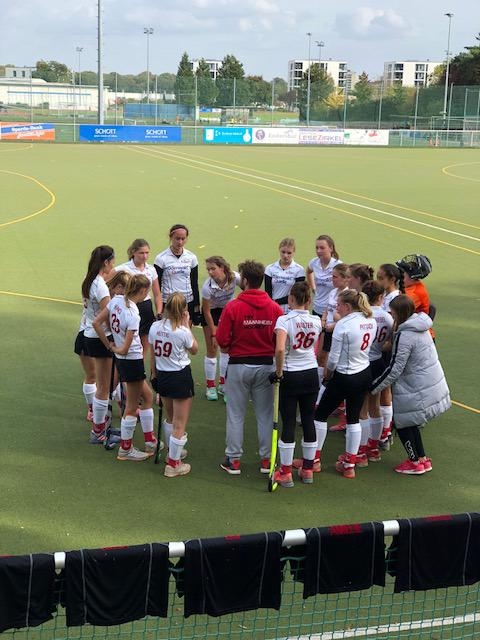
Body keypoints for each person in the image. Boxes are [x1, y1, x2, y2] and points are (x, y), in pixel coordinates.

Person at [216, 260, 284, 475]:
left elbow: (222, 339)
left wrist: (230, 347)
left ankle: (234, 460)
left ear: (244, 280)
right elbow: (279, 340)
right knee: (265, 415)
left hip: (238, 366)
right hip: (265, 366)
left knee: (235, 414)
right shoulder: (274, 308)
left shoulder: (234, 306)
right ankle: (266, 461)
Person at [370, 295, 450, 475]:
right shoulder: (420, 326)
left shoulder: (405, 334)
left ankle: (414, 461)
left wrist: (375, 386)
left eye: (392, 311)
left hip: (414, 386)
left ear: (399, 313)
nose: (390, 313)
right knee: (411, 421)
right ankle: (421, 458)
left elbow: (396, 368)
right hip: (426, 381)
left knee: (404, 422)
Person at [313, 289, 377, 479]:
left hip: (345, 374)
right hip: (364, 372)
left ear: (348, 307)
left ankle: (313, 459)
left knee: (320, 415)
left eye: (339, 304)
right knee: (353, 418)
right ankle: (349, 464)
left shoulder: (344, 325)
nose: (337, 307)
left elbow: (333, 357)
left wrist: (328, 373)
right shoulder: (370, 320)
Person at [93, 274, 156, 462]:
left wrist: (109, 345)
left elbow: (97, 322)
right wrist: (118, 349)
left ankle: (150, 440)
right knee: (131, 406)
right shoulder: (133, 313)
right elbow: (127, 347)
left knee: (148, 397)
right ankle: (126, 449)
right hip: (132, 359)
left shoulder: (116, 301)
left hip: (122, 359)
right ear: (143, 291)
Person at [271, 282, 322, 488]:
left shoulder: (284, 320)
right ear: (309, 301)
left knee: (289, 422)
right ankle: (308, 468)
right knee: (308, 419)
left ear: (291, 299)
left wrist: (278, 372)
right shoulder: (316, 321)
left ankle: (285, 473)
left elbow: (280, 349)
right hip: (310, 373)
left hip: (291, 374)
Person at [149, 293, 198, 478]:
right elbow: (194, 349)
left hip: (163, 376)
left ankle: (172, 451)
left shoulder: (155, 327)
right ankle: (173, 464)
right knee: (179, 424)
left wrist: (154, 375)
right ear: (183, 311)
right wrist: (187, 325)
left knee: (171, 419)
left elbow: (152, 353)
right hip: (180, 376)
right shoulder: (182, 331)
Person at [356, 280, 394, 467]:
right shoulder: (387, 318)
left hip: (363, 363)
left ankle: (361, 453)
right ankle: (373, 448)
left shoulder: (363, 316)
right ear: (381, 297)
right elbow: (391, 340)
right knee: (375, 406)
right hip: (379, 362)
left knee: (362, 408)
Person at [81, 245, 116, 444]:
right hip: (100, 336)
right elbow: (106, 316)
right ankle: (98, 430)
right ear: (106, 262)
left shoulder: (89, 281)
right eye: (112, 261)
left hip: (89, 333)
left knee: (103, 384)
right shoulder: (101, 286)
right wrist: (112, 339)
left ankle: (100, 426)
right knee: (103, 386)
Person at [306, 235, 342, 402]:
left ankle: (323, 386)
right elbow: (309, 271)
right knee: (315, 348)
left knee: (324, 352)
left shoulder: (338, 266)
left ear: (331, 249)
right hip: (317, 310)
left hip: (331, 315)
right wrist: (313, 287)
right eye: (317, 248)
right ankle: (320, 384)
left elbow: (344, 286)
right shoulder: (314, 262)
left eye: (322, 248)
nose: (319, 251)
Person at [201, 256, 241, 401]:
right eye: (208, 269)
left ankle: (223, 385)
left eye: (213, 269)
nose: (210, 272)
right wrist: (213, 333)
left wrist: (239, 302)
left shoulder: (234, 277)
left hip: (227, 311)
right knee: (212, 349)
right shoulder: (207, 286)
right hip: (211, 313)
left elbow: (248, 289)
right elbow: (206, 311)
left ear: (222, 268)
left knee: (226, 349)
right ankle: (210, 386)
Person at [116, 239, 163, 354]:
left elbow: (157, 294)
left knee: (145, 343)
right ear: (133, 253)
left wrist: (159, 312)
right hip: (129, 307)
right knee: (128, 341)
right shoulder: (123, 269)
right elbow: (108, 283)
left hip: (146, 308)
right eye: (141, 253)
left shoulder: (151, 269)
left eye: (147, 253)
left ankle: (139, 367)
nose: (145, 256)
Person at [154, 224, 201, 326]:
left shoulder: (191, 257)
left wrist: (196, 309)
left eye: (183, 239)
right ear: (171, 237)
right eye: (177, 238)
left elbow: (194, 284)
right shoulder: (161, 258)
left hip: (187, 302)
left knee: (186, 335)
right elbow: (156, 287)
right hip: (169, 302)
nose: (180, 242)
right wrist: (159, 309)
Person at [376, 263, 401, 449]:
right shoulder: (386, 297)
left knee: (385, 391)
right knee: (380, 392)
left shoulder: (396, 299)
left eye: (381, 278)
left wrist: (389, 344)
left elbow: (397, 326)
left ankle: (385, 432)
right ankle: (382, 431)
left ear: (392, 280)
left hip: (386, 351)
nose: (378, 281)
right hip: (380, 349)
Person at [264, 238, 306, 314]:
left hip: (291, 311)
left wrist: (276, 302)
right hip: (274, 309)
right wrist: (272, 304)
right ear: (279, 250)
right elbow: (268, 293)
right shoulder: (270, 268)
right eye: (283, 252)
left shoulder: (299, 270)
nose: (285, 255)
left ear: (294, 252)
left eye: (289, 253)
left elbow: (297, 294)